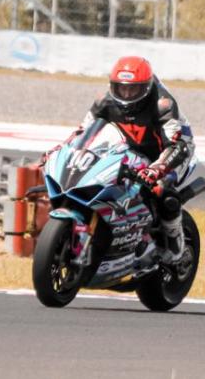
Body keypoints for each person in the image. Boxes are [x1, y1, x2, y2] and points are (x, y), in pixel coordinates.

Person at [43, 56, 195, 263]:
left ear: (147, 88)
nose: (127, 94)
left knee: (161, 190)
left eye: (134, 90)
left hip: (172, 150)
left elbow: (177, 145)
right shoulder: (104, 101)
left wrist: (156, 169)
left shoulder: (163, 104)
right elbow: (82, 132)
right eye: (121, 89)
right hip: (130, 147)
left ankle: (175, 241)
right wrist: (59, 150)